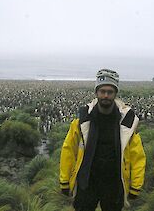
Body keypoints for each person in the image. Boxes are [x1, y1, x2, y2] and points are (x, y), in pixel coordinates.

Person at [60, 69, 146, 211]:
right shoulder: (82, 121)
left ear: (115, 94)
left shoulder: (127, 123)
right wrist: (64, 180)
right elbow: (68, 149)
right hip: (87, 182)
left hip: (114, 184)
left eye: (110, 92)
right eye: (102, 91)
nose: (106, 95)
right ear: (96, 92)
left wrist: (135, 186)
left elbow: (138, 156)